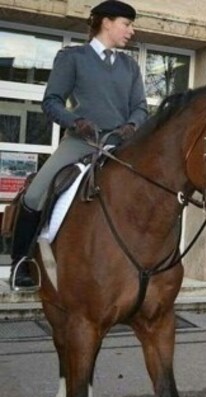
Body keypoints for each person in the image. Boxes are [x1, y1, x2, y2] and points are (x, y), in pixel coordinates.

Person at [8, 0, 146, 289]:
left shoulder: (130, 66)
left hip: (119, 145)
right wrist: (75, 121)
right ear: (107, 23)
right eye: (126, 24)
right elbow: (51, 101)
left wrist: (132, 125)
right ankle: (21, 262)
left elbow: (141, 107)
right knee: (35, 194)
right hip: (81, 142)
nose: (131, 31)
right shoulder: (72, 57)